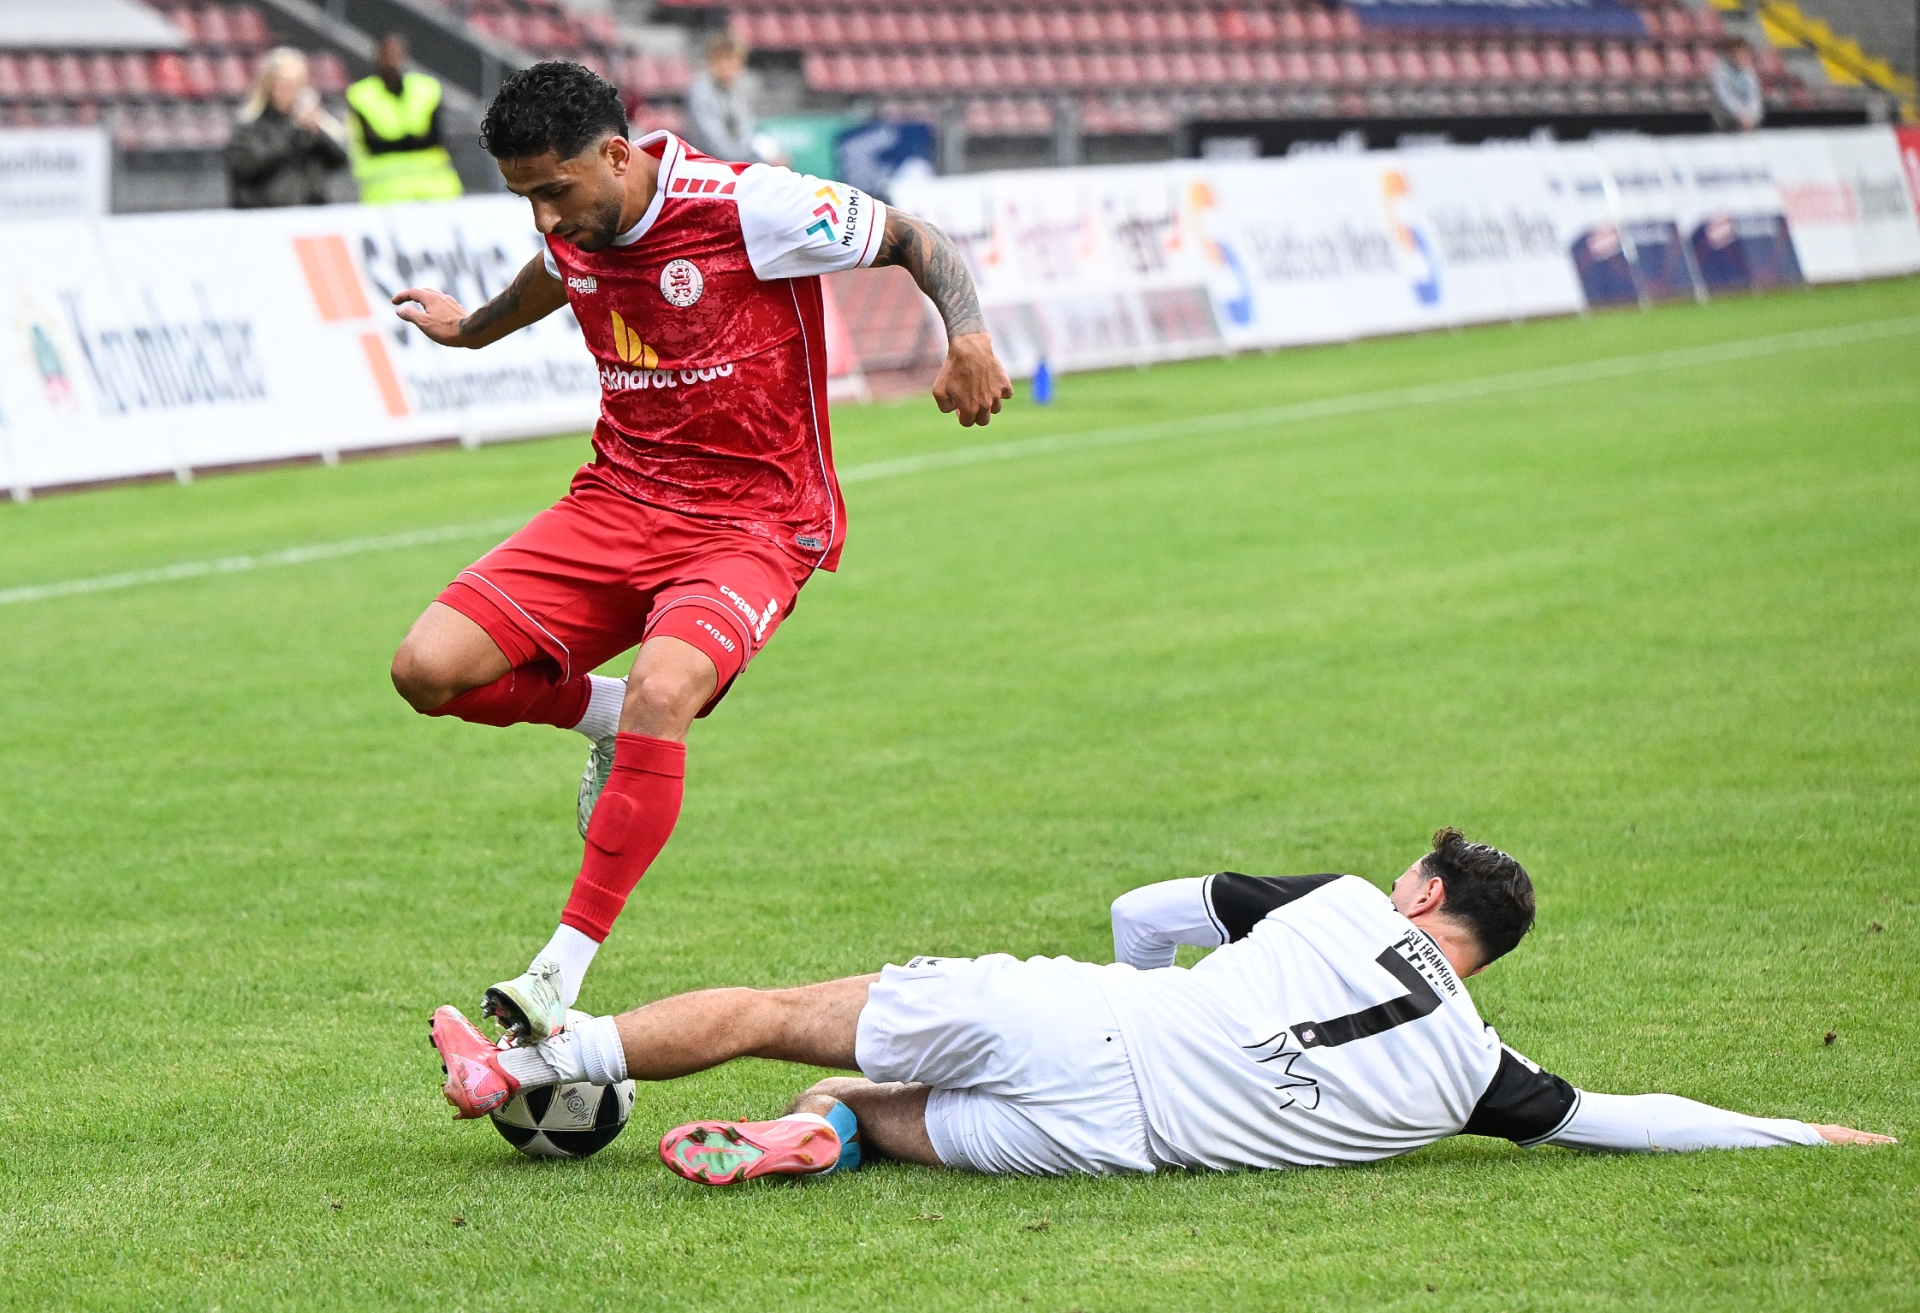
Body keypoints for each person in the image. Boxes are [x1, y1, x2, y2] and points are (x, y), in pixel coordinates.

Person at [389, 63, 1011, 1046]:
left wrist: (966, 335)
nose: (545, 217)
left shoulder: (749, 207)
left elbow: (915, 237)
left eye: (554, 190)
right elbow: (555, 272)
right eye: (524, 198)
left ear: (616, 154)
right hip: (617, 500)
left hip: (754, 522)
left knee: (665, 687)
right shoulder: (576, 222)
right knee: (425, 669)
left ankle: (557, 970)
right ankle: (604, 715)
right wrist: (469, 331)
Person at [430, 827, 1893, 1183]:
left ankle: (539, 1059)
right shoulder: (1479, 1074)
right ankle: (833, 1135)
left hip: (1098, 1023)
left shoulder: (1340, 900)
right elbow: (1621, 1118)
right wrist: (1796, 1133)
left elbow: (1144, 914)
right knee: (870, 1112)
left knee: (772, 1007)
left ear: (1423, 891)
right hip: (1120, 1142)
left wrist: (1143, 996)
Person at [345, 34, 465, 204]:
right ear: (378, 56)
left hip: (436, 192)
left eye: (396, 54)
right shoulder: (361, 95)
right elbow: (373, 144)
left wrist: (395, 141)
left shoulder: (426, 89)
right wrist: (414, 140)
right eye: (388, 54)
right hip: (386, 195)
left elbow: (435, 137)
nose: (392, 61)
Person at [224, 48, 349, 208]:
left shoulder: (310, 126)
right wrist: (295, 131)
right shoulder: (249, 125)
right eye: (285, 83)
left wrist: (319, 131)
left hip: (310, 214)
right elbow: (245, 166)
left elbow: (339, 160)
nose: (292, 91)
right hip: (264, 214)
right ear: (268, 85)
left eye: (298, 84)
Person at [682, 33, 767, 164]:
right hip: (705, 164)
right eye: (724, 59)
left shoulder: (737, 89)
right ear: (711, 61)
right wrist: (749, 160)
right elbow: (713, 142)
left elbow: (745, 130)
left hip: (735, 161)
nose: (729, 66)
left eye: (734, 60)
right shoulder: (700, 92)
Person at [1709, 39, 1765, 133]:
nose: (1742, 55)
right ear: (1730, 53)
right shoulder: (1719, 73)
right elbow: (1725, 98)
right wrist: (1741, 116)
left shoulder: (1748, 72)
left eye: (1744, 52)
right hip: (1727, 124)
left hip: (1749, 121)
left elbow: (1755, 96)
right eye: (1739, 53)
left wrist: (1753, 115)